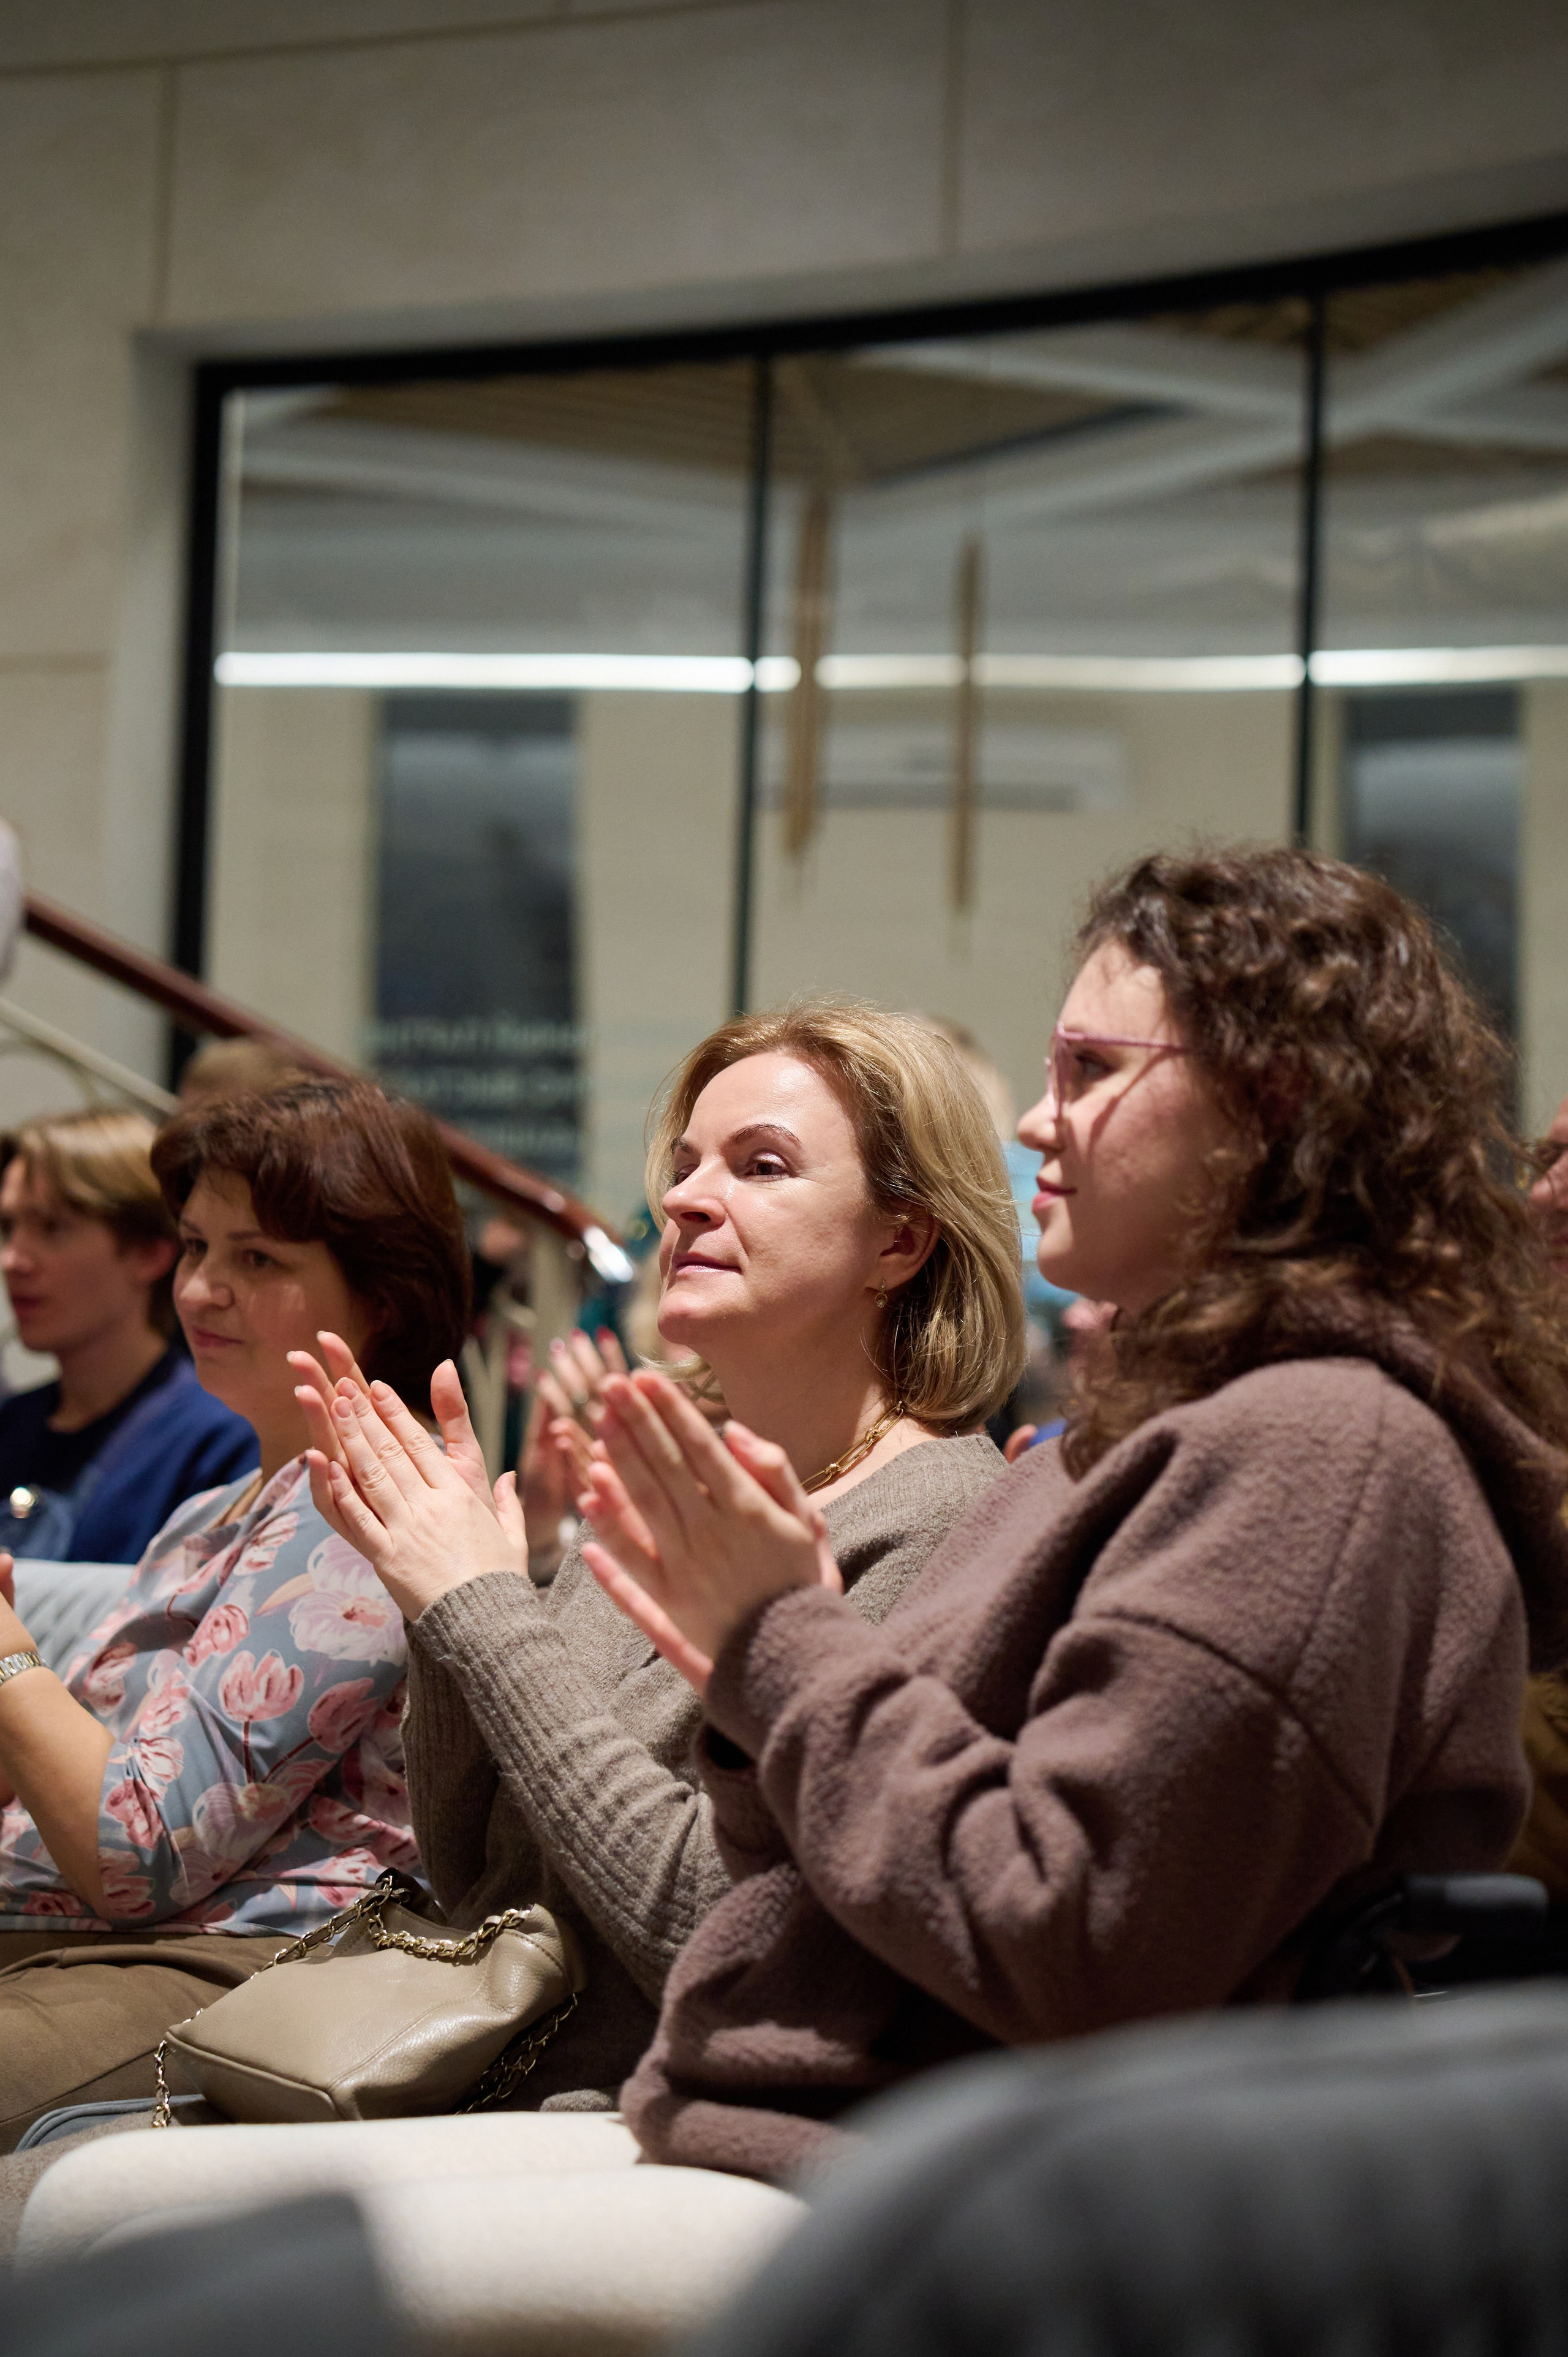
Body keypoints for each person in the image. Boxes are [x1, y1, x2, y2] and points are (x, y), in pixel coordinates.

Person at [569, 846, 1568, 2184]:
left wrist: (781, 1646)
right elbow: (800, 1890)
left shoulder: (1318, 1452)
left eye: (1090, 1073)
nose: (1035, 1125)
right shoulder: (1117, 1443)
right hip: (813, 2128)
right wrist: (760, 1691)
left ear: (1267, 1099)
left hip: (998, 2188)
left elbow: (1083, 1946)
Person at [294, 1003, 1022, 2111]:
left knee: (80, 2201)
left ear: (901, 1240)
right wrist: (441, 1606)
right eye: (684, 1166)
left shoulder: (947, 1521)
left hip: (641, 2120)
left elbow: (718, 1939)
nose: (683, 1200)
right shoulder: (664, 1473)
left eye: (760, 1165)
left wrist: (486, 1607)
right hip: (478, 2071)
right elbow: (477, 1873)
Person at [0, 1076, 470, 2152]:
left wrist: (8, 1657)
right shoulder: (224, 1506)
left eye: (257, 1258)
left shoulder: (370, 1500)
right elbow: (81, 1778)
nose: (204, 1289)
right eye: (196, 1246)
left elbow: (135, 1851)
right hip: (92, 1947)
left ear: (381, 1296)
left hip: (231, 1968)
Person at [0, 1111, 256, 1562]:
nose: (13, 1260)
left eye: (52, 1228)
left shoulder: (217, 1439)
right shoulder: (11, 1424)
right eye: (7, 1228)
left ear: (149, 1253)